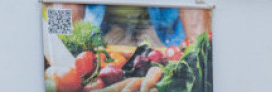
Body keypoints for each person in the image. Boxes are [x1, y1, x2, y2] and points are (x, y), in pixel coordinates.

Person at [58, 4, 210, 48]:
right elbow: (63, 4)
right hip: (107, 24)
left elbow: (195, 4)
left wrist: (201, 48)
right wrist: (59, 44)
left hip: (160, 25)